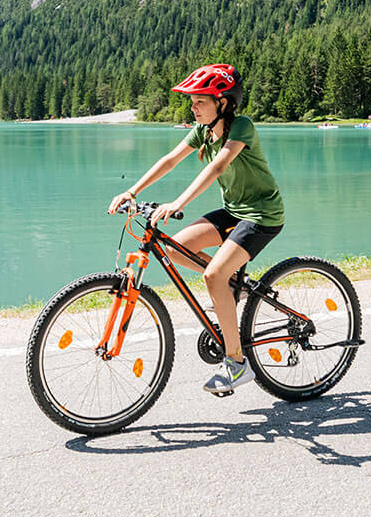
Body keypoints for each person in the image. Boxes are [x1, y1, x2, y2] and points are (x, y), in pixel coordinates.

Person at [109, 64, 285, 395]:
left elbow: (218, 166)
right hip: (234, 212)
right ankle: (235, 285)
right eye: (192, 102)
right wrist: (132, 191)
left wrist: (178, 202)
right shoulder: (203, 131)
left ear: (223, 102)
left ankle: (237, 363)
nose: (193, 107)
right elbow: (170, 160)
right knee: (175, 249)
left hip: (262, 215)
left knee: (213, 276)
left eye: (199, 101)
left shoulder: (241, 127)